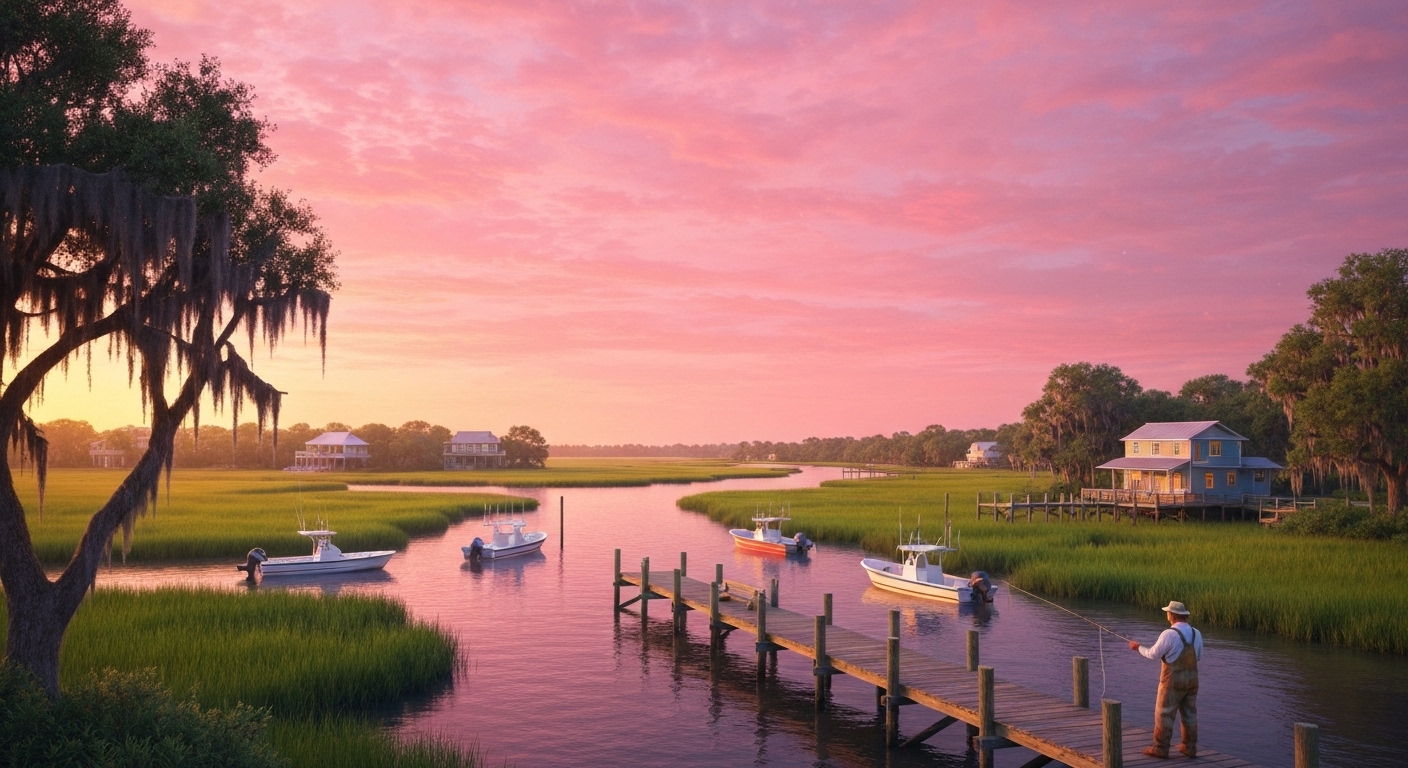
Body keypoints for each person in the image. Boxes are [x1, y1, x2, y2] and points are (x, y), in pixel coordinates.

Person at [1129, 601, 1202, 759]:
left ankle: (1161, 749)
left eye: (1168, 613)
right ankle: (1189, 747)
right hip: (1192, 680)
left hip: (1172, 682)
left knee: (1164, 714)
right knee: (1190, 714)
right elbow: (1199, 657)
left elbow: (1153, 654)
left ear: (1172, 615)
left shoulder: (1169, 634)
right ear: (1184, 616)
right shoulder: (1197, 633)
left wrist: (1138, 647)